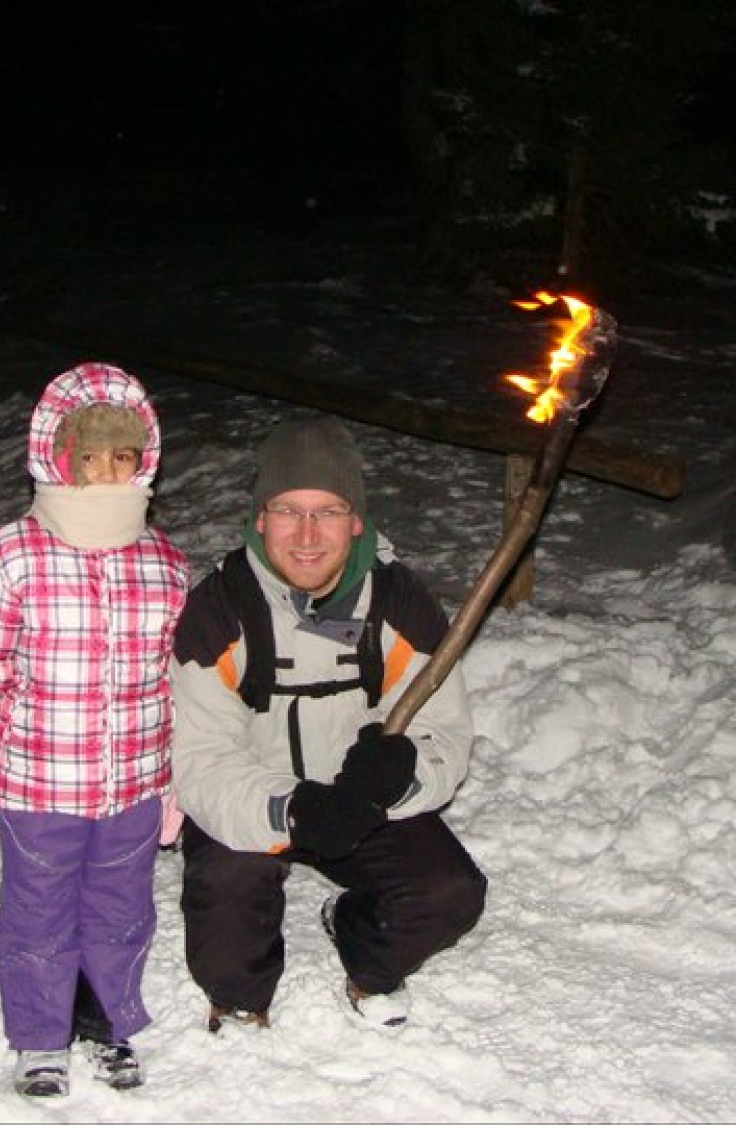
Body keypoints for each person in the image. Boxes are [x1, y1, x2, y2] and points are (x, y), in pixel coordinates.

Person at [0, 362, 189, 1099]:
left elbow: (176, 686)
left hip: (132, 783)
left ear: (145, 461)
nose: (106, 473)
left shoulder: (163, 564)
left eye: (123, 457)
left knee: (122, 910)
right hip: (40, 785)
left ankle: (106, 1021)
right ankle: (41, 1035)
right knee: (39, 915)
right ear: (59, 456)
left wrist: (173, 781)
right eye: (91, 456)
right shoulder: (6, 556)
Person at [169, 415, 486, 1032]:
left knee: (450, 894)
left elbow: (445, 732)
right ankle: (239, 997)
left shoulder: (399, 603)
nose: (308, 534)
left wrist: (399, 776)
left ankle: (362, 950)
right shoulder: (220, 610)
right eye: (288, 510)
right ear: (260, 518)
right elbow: (202, 760)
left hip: (358, 803)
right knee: (226, 919)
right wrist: (290, 809)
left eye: (330, 511)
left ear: (358, 520)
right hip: (259, 799)